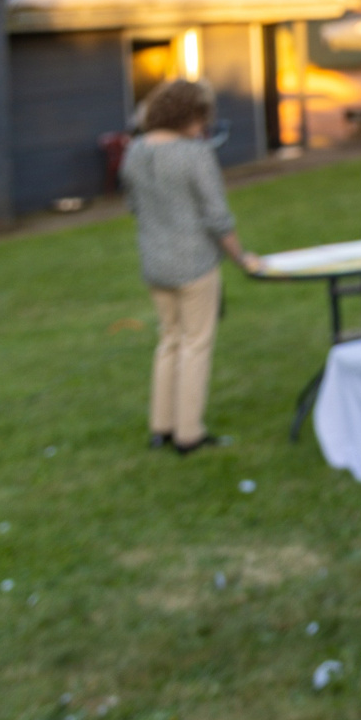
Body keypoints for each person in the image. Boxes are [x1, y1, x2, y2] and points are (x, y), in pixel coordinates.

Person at [119, 79, 257, 454]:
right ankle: (189, 434)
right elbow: (217, 218)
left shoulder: (133, 151)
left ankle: (160, 427)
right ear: (189, 115)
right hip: (194, 264)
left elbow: (135, 207)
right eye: (202, 117)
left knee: (169, 341)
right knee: (196, 345)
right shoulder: (195, 155)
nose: (205, 126)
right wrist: (241, 258)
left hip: (155, 263)